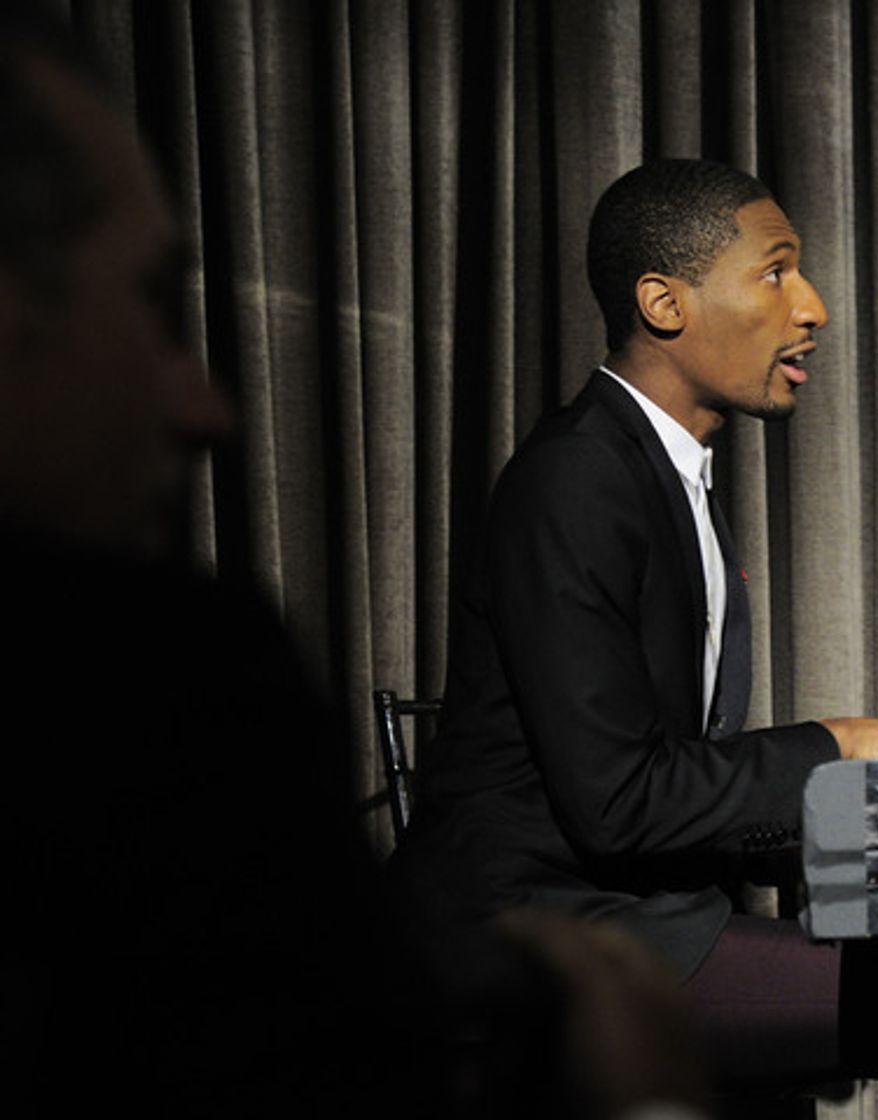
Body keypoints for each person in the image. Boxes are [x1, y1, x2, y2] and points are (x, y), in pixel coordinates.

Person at [393, 158, 878, 1116]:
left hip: (634, 913)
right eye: (776, 272)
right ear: (664, 303)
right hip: (535, 934)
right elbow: (618, 801)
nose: (814, 306)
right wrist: (837, 746)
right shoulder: (577, 480)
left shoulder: (663, 474)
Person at [0, 10, 432, 1114]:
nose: (210, 406)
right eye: (152, 299)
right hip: (580, 928)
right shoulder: (148, 682)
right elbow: (620, 796)